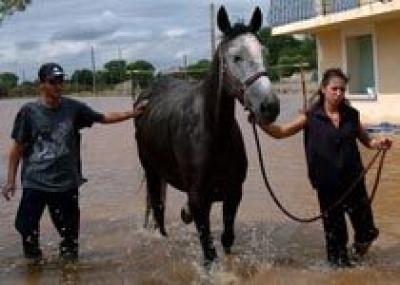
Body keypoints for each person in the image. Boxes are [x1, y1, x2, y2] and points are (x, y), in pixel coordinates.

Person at [2, 62, 146, 262]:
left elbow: (102, 118)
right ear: (42, 84)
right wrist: (10, 181)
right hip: (35, 183)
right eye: (53, 82)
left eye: (61, 81)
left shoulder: (73, 108)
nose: (59, 86)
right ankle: (33, 270)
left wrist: (131, 114)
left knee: (70, 239)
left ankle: (69, 274)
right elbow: (16, 149)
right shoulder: (29, 112)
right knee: (27, 232)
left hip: (65, 184)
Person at [258, 68, 392, 267]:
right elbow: (281, 132)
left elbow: (367, 141)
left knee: (367, 232)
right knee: (336, 241)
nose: (338, 93)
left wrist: (379, 143)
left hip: (354, 182)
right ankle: (340, 272)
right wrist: (260, 121)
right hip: (327, 187)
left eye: (342, 90)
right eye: (334, 89)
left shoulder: (352, 115)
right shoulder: (310, 117)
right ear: (323, 89)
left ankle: (356, 258)